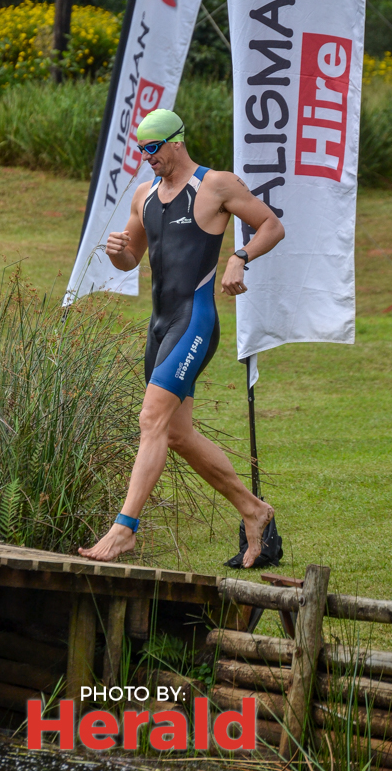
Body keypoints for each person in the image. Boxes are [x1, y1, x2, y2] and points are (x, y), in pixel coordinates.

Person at [78, 109, 285, 566]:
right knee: (176, 433)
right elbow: (131, 259)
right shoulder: (144, 195)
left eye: (153, 148)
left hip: (194, 322)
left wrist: (239, 256)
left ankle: (123, 530)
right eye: (141, 150)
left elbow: (272, 225)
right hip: (159, 326)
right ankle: (254, 510)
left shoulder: (216, 185)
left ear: (176, 142)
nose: (147, 157)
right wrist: (116, 253)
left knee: (150, 419)